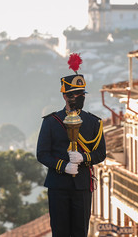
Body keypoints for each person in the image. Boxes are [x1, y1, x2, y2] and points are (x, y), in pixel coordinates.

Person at [36, 53, 106, 237]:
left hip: (82, 185)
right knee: (60, 232)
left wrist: (84, 157)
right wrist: (63, 166)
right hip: (58, 184)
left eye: (82, 94)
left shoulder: (93, 122)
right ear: (66, 96)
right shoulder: (51, 121)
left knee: (79, 232)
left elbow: (101, 153)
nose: (79, 97)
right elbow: (42, 154)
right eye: (75, 94)